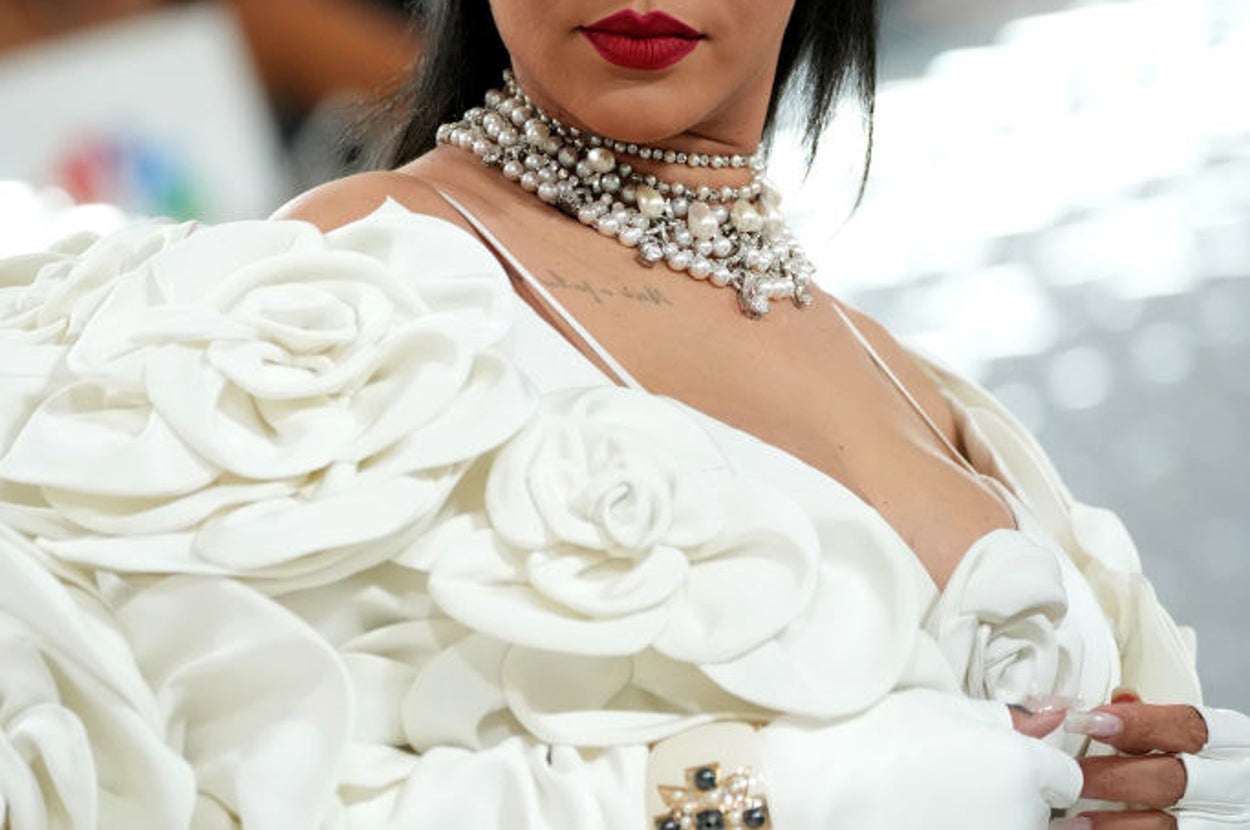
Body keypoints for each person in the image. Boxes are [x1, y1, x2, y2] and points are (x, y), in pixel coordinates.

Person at [0, 0, 1246, 828]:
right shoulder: (334, 292)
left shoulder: (909, 376)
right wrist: (762, 794)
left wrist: (1139, 787)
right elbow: (180, 784)